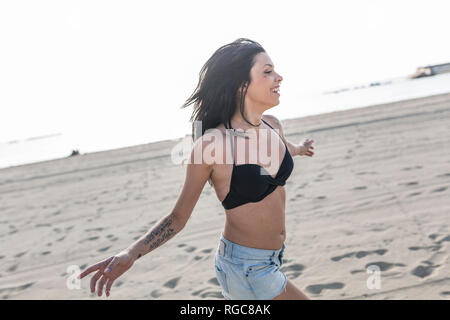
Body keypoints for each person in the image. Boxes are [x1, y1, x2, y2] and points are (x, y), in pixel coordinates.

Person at [78, 38, 315, 300]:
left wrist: (300, 149)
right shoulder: (212, 145)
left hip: (272, 259)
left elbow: (284, 149)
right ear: (241, 85)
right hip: (245, 268)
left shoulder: (272, 126)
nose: (278, 77)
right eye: (267, 72)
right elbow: (177, 218)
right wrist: (131, 253)